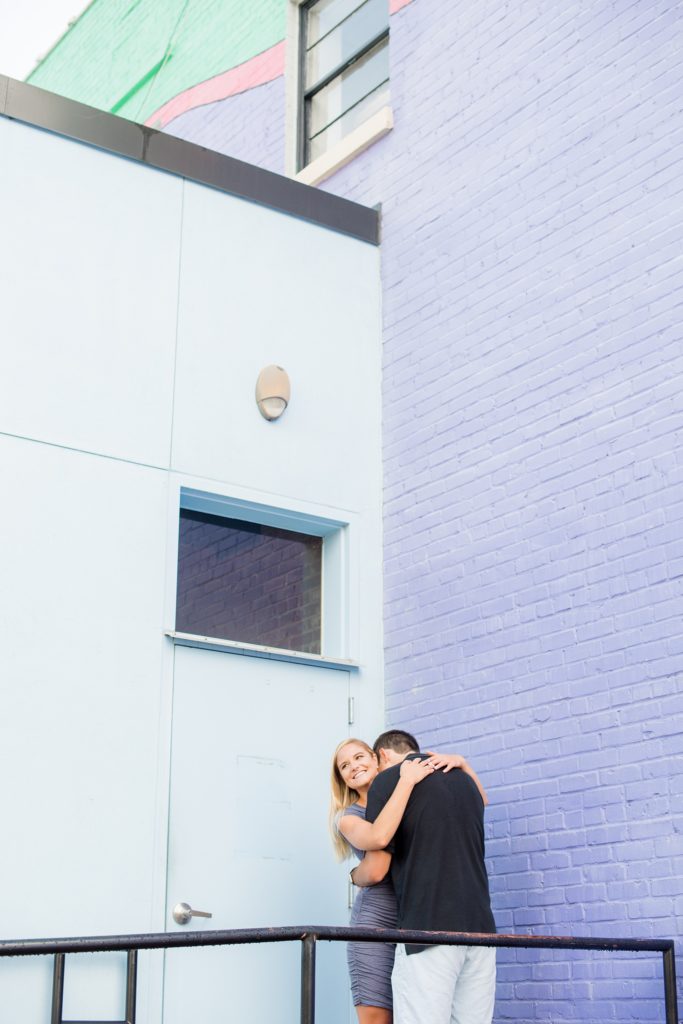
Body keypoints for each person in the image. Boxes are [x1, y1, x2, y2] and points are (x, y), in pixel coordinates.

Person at [330, 737, 488, 1024]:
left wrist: (462, 764)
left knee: (412, 1007)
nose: (353, 767)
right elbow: (378, 852)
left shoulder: (403, 789)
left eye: (359, 757)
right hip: (376, 922)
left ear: (378, 757)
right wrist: (354, 876)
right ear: (341, 779)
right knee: (380, 1018)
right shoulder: (348, 817)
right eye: (344, 766)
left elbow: (478, 803)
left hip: (408, 916)